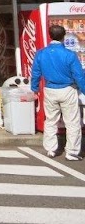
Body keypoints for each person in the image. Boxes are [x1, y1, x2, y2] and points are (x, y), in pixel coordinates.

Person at [30, 24, 85, 161]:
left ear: (50, 35)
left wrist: (34, 88)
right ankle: (71, 152)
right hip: (68, 89)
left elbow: (36, 73)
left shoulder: (41, 53)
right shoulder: (70, 55)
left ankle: (50, 149)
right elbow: (79, 76)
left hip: (50, 89)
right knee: (72, 122)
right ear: (64, 36)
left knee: (50, 121)